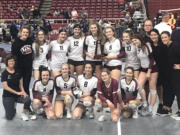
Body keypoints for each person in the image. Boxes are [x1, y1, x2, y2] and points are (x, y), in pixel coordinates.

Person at [132, 34, 158, 116]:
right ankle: (145, 104)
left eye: (135, 40)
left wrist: (149, 72)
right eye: (133, 41)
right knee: (139, 86)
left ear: (139, 39)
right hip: (143, 69)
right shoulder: (137, 47)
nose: (134, 42)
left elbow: (151, 59)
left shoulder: (146, 46)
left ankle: (150, 109)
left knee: (152, 88)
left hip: (152, 69)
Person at [1, 54, 31, 121]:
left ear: (14, 62)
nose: (11, 62)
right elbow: (5, 87)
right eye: (9, 61)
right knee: (9, 117)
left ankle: (24, 112)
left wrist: (23, 92)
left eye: (12, 61)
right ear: (7, 62)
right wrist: (17, 92)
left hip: (18, 95)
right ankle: (12, 106)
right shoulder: (4, 73)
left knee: (28, 99)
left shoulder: (18, 71)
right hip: (8, 96)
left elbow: (20, 84)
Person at [158, 31, 180, 115]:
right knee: (168, 89)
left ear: (170, 37)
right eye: (162, 37)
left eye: (165, 37)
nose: (164, 39)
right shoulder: (165, 47)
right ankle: (167, 107)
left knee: (178, 90)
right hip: (168, 73)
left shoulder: (176, 46)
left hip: (177, 72)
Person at [11, 26, 33, 96]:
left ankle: (27, 105)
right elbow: (13, 56)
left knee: (26, 86)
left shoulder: (30, 40)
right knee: (16, 86)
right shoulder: (16, 42)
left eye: (27, 32)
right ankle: (14, 103)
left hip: (28, 68)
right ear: (21, 33)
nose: (25, 34)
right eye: (24, 32)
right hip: (19, 68)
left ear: (29, 33)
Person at [149, 29, 163, 113]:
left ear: (158, 35)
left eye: (155, 35)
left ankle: (161, 101)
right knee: (154, 84)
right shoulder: (149, 45)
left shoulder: (162, 44)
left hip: (162, 67)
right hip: (153, 68)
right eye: (152, 35)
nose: (153, 36)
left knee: (160, 85)